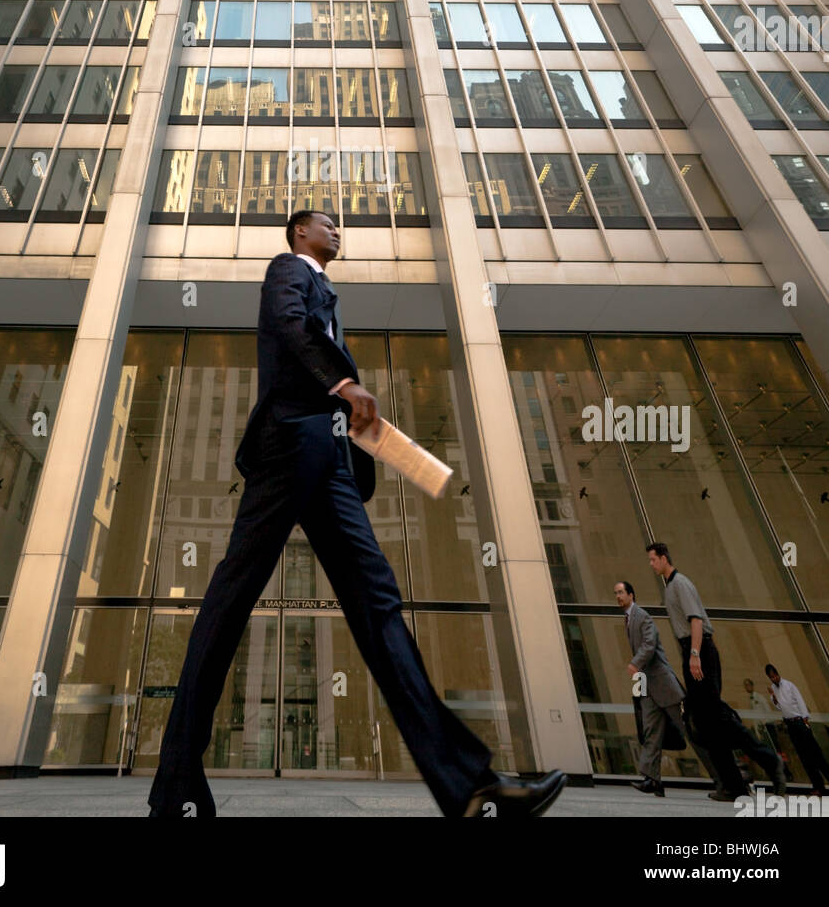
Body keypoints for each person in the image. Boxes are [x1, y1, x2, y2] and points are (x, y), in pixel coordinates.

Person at [148, 209, 566, 819]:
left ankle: (469, 787)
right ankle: (177, 787)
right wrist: (344, 385)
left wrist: (355, 419)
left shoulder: (325, 290)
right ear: (299, 234)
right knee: (228, 604)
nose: (336, 230)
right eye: (325, 224)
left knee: (379, 605)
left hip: (329, 458)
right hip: (291, 442)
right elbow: (290, 326)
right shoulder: (287, 271)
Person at [646, 543, 787, 802]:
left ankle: (768, 760)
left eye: (653, 560)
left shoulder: (680, 584)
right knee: (708, 723)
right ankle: (734, 786)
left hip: (698, 651)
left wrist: (697, 655)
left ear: (664, 558)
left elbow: (696, 621)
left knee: (715, 718)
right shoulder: (671, 587)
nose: (651, 564)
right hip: (696, 651)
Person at [614, 579, 685, 797]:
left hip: (663, 684)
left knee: (691, 730)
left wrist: (635, 662)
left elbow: (649, 644)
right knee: (651, 732)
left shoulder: (642, 616)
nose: (617, 596)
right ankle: (652, 780)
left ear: (631, 595)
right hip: (647, 685)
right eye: (615, 593)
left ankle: (725, 776)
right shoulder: (627, 619)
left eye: (621, 592)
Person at [766, 663, 829, 794]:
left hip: (800, 721)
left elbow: (800, 701)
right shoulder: (773, 689)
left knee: (815, 754)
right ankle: (818, 786)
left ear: (778, 674)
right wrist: (773, 698)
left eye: (775, 675)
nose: (774, 679)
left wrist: (805, 719)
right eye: (771, 677)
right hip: (790, 725)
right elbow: (780, 707)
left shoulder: (789, 685)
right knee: (804, 757)